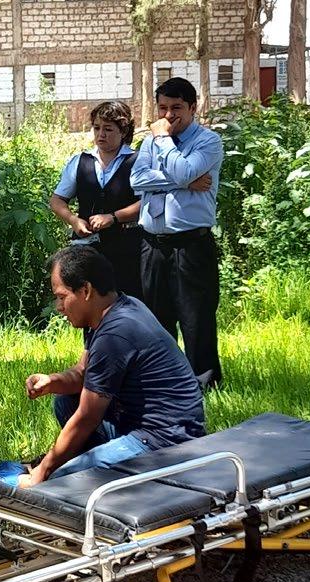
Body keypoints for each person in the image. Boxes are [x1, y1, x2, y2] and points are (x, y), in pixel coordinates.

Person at [20, 245, 204, 488]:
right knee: (64, 400)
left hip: (165, 442)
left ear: (86, 290)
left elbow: (87, 417)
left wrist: (43, 472)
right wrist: (52, 381)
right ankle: (93, 461)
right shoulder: (114, 310)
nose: (59, 307)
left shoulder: (115, 333)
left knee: (59, 482)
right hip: (137, 427)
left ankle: (87, 468)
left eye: (62, 297)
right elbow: (83, 374)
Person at [131, 76, 225, 390]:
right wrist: (183, 182)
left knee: (196, 317)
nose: (168, 115)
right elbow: (136, 181)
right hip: (153, 244)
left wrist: (163, 143)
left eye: (176, 108)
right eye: (163, 108)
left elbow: (185, 170)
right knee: (157, 319)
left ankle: (203, 384)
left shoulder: (208, 142)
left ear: (193, 108)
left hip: (191, 245)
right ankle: (167, 380)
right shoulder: (150, 142)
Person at [50, 100, 145, 299]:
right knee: (88, 301)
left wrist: (113, 217)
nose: (101, 134)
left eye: (108, 129)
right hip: (88, 250)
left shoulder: (138, 161)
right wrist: (73, 220)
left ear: (123, 131)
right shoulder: (80, 161)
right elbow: (57, 200)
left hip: (128, 248)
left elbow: (147, 202)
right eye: (97, 128)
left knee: (128, 301)